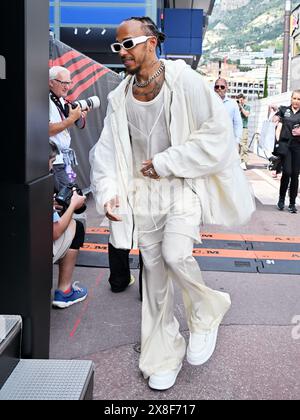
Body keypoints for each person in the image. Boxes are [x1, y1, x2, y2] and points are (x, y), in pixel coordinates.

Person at [90, 16, 255, 390]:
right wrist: (109, 191)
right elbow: (107, 151)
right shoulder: (119, 97)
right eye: (117, 46)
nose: (121, 52)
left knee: (175, 254)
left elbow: (216, 137)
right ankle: (163, 352)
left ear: (151, 41)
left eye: (127, 44)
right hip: (141, 197)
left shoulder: (187, 82)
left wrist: (166, 162)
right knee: (155, 282)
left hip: (181, 188)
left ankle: (207, 309)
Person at [50, 142, 88, 308]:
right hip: (32, 255)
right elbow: (55, 232)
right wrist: (72, 205)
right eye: (51, 161)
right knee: (76, 227)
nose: (52, 167)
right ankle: (64, 291)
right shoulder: (40, 184)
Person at [49, 66, 89, 190]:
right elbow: (46, 130)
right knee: (69, 199)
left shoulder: (60, 100)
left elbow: (76, 124)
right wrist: (71, 119)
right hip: (53, 161)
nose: (67, 87)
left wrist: (79, 117)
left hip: (63, 160)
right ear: (51, 82)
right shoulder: (43, 99)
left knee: (68, 199)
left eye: (69, 83)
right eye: (63, 83)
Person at [271, 90, 300, 213]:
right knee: (287, 172)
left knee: (295, 174)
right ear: (291, 99)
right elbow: (275, 118)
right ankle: (281, 199)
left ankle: (292, 203)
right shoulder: (284, 110)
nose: (296, 101)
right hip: (285, 146)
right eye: (294, 98)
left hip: (298, 147)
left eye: (299, 99)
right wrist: (275, 117)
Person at [214, 78, 243, 152]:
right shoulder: (208, 102)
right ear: (214, 88)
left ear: (226, 88)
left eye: (222, 87)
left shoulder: (233, 104)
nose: (219, 89)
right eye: (217, 87)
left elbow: (238, 123)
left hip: (228, 142)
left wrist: (237, 141)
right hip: (212, 141)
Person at [236, 93, 251, 170]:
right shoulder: (235, 107)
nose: (240, 101)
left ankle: (243, 162)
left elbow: (246, 114)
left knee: (243, 145)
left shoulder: (247, 107)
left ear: (244, 100)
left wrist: (241, 107)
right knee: (236, 146)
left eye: (242, 100)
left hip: (243, 128)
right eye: (239, 100)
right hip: (235, 128)